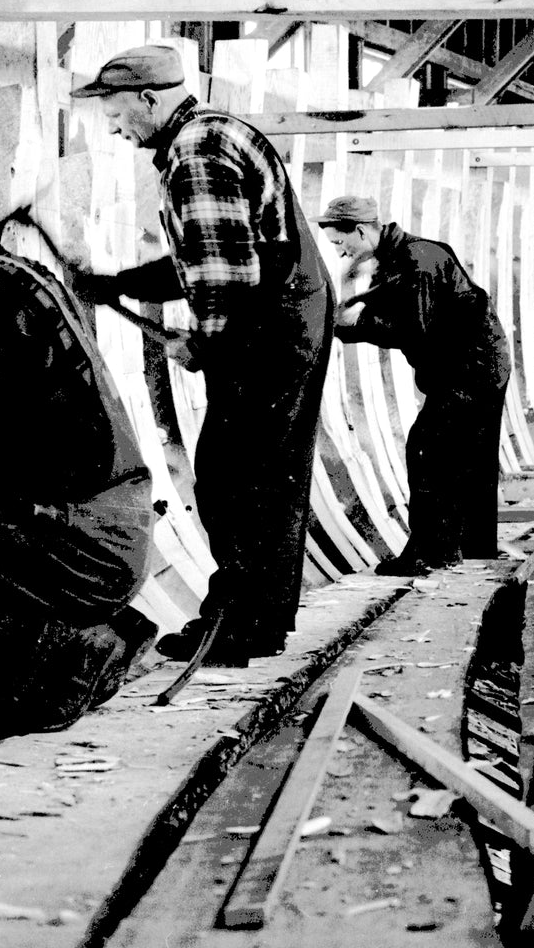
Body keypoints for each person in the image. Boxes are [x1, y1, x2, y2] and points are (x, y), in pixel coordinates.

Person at [72, 45, 333, 668]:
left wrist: (206, 343)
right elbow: (205, 252)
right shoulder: (213, 134)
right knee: (269, 478)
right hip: (290, 321)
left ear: (148, 99)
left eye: (117, 113)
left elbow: (224, 275)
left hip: (268, 332)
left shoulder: (195, 155)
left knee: (232, 479)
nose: (114, 128)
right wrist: (120, 283)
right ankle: (260, 623)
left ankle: (234, 627)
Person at [0, 204, 157, 732]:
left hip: (86, 546)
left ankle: (68, 661)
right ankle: (92, 638)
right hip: (106, 536)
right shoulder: (5, 275)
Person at [318, 197, 511, 573]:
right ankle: (474, 549)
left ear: (361, 231)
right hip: (482, 360)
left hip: (470, 367)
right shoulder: (401, 256)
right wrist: (348, 321)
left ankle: (429, 553)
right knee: (472, 457)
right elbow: (389, 308)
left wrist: (354, 326)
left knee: (428, 451)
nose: (341, 252)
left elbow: (414, 330)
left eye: (341, 242)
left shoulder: (416, 261)